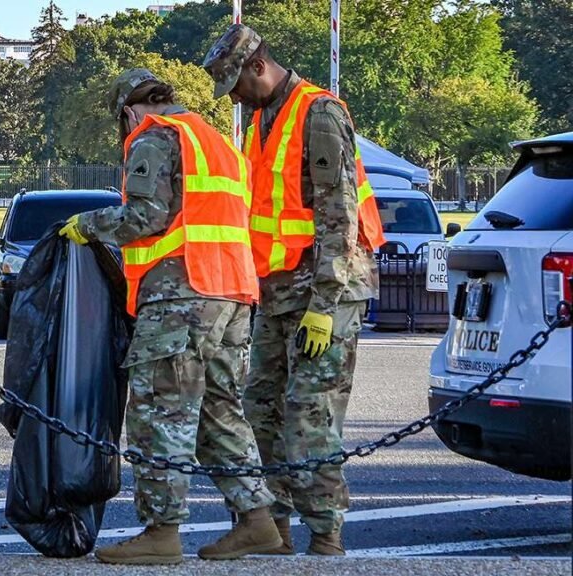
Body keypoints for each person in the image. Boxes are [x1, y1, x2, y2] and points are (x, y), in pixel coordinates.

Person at [59, 68, 282, 565]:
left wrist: (88, 225)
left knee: (161, 411)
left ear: (130, 111)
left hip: (182, 295)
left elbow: (145, 217)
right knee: (219, 412)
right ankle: (256, 521)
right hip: (233, 292)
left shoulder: (155, 138)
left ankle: (161, 531)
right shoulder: (218, 141)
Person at [202, 25, 386, 555]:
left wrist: (325, 306)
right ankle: (273, 531)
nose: (234, 97)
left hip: (325, 290)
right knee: (261, 408)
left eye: (236, 84)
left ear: (259, 66)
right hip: (279, 290)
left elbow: (339, 216)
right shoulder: (262, 119)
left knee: (309, 415)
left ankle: (325, 537)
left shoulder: (318, 113)